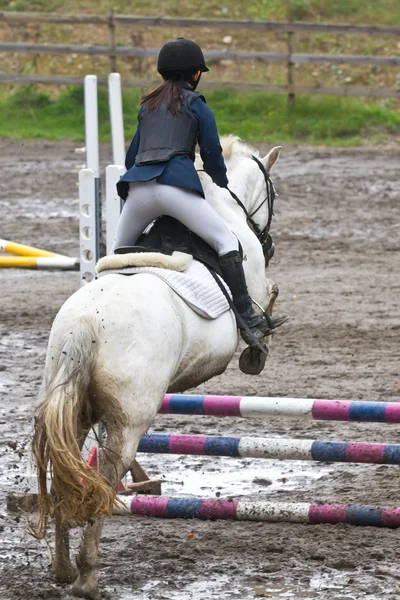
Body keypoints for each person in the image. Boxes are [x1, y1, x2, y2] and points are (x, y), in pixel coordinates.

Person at [114, 37, 288, 343]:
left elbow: (131, 159)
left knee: (117, 255)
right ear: (195, 74)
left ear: (162, 71)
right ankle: (248, 317)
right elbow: (211, 156)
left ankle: (107, 308)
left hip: (139, 193)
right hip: (175, 190)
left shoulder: (148, 106)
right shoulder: (197, 105)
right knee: (227, 242)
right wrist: (220, 183)